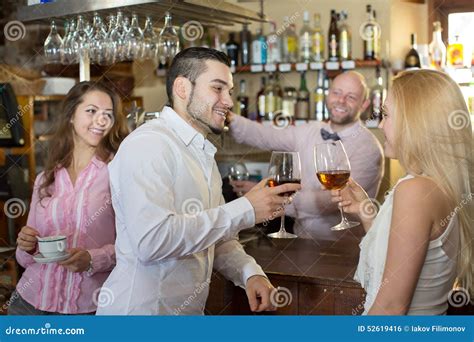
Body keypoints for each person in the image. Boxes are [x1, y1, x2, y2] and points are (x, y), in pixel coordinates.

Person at [96, 47, 301, 315]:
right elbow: (152, 241)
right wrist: (246, 209)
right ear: (182, 88)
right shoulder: (148, 144)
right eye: (217, 88)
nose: (228, 101)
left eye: (230, 91)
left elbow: (218, 238)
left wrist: (250, 273)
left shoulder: (200, 151)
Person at [331, 69, 473, 314]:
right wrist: (367, 213)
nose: (380, 123)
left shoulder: (415, 190)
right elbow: (403, 256)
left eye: (386, 115)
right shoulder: (437, 184)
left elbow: (390, 307)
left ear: (415, 123)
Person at [9, 82, 128, 315]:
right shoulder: (47, 177)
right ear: (71, 115)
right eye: (92, 111)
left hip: (88, 309)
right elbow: (24, 259)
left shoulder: (119, 171)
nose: (101, 120)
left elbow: (135, 246)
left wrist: (92, 259)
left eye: (108, 115)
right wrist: (28, 246)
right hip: (27, 305)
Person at [228, 71, 384, 240]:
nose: (341, 100)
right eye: (336, 93)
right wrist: (228, 118)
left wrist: (269, 197)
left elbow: (329, 202)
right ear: (328, 94)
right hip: (301, 242)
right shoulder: (311, 130)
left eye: (351, 97)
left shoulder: (369, 148)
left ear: (364, 104)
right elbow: (263, 135)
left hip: (346, 248)